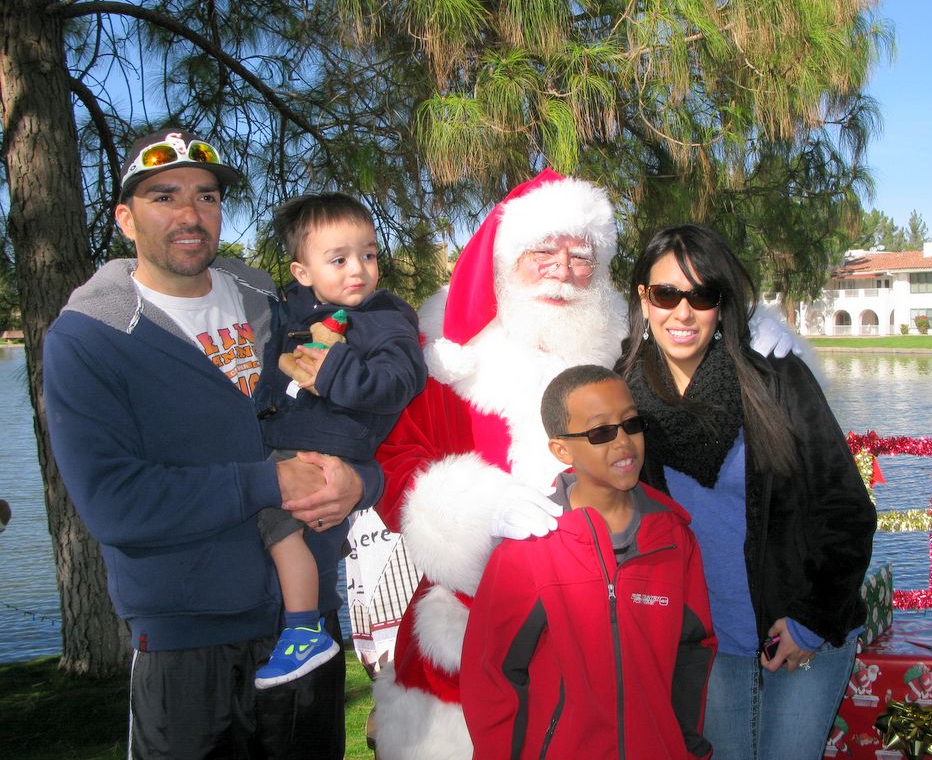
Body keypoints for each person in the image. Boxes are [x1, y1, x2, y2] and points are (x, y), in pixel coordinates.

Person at [370, 169, 795, 760]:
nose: (564, 271)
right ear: (503, 260)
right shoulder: (449, 359)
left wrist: (747, 336)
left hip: (609, 626)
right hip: (471, 622)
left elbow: (695, 355)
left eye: (581, 256)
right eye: (543, 253)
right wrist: (480, 510)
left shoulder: (623, 354)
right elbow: (396, 462)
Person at [44, 128, 377, 760]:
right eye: (163, 197)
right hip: (185, 639)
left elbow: (348, 415)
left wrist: (365, 484)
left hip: (307, 623)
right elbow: (116, 503)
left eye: (207, 196)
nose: (190, 215)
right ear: (124, 217)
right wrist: (270, 482)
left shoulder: (276, 306)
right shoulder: (90, 338)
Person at [615, 224, 876, 760]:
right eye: (667, 294)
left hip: (797, 623)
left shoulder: (775, 379)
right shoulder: (622, 395)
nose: (682, 313)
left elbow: (844, 508)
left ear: (722, 304)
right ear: (644, 298)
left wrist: (812, 620)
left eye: (702, 295)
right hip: (702, 641)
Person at [461, 364, 717, 760]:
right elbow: (491, 674)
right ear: (562, 449)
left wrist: (688, 748)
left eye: (631, 423)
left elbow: (693, 654)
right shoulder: (529, 548)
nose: (623, 442)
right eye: (601, 432)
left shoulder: (673, 539)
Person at [251, 192, 426, 689]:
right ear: (302, 272)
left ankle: (304, 628)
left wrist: (333, 369)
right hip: (290, 438)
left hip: (326, 449)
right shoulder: (294, 311)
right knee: (292, 532)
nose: (359, 270)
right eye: (339, 259)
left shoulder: (386, 317)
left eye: (368, 255)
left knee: (278, 524)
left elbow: (399, 382)